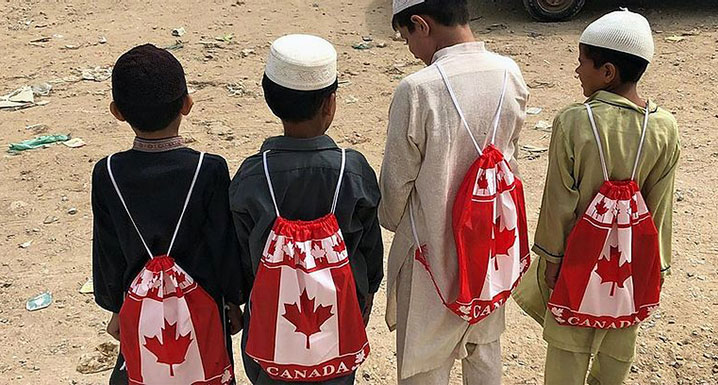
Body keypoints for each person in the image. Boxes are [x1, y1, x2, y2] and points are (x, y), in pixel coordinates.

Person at [513, 9, 680, 385]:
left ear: (607, 72)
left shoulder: (574, 121)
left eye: (582, 61)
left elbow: (559, 202)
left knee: (568, 351)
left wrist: (551, 260)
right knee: (618, 349)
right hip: (631, 266)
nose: (576, 71)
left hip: (577, 260)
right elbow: (661, 208)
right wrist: (659, 267)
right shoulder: (664, 127)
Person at [379, 1, 529, 384]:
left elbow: (397, 183)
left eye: (406, 38)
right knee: (483, 350)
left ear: (420, 24)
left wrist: (389, 218)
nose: (411, 50)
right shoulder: (509, 73)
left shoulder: (417, 89)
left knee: (425, 363)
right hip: (489, 251)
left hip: (430, 251)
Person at [229, 34, 383, 385]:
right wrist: (367, 292)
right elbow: (371, 250)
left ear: (269, 98)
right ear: (330, 103)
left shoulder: (253, 175)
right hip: (339, 321)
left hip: (271, 323)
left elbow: (240, 253)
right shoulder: (353, 170)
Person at [91, 44, 244, 385]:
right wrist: (233, 300)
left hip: (138, 307)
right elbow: (223, 245)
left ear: (117, 112)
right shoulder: (209, 169)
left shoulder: (108, 173)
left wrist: (115, 306)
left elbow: (108, 252)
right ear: (187, 104)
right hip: (203, 309)